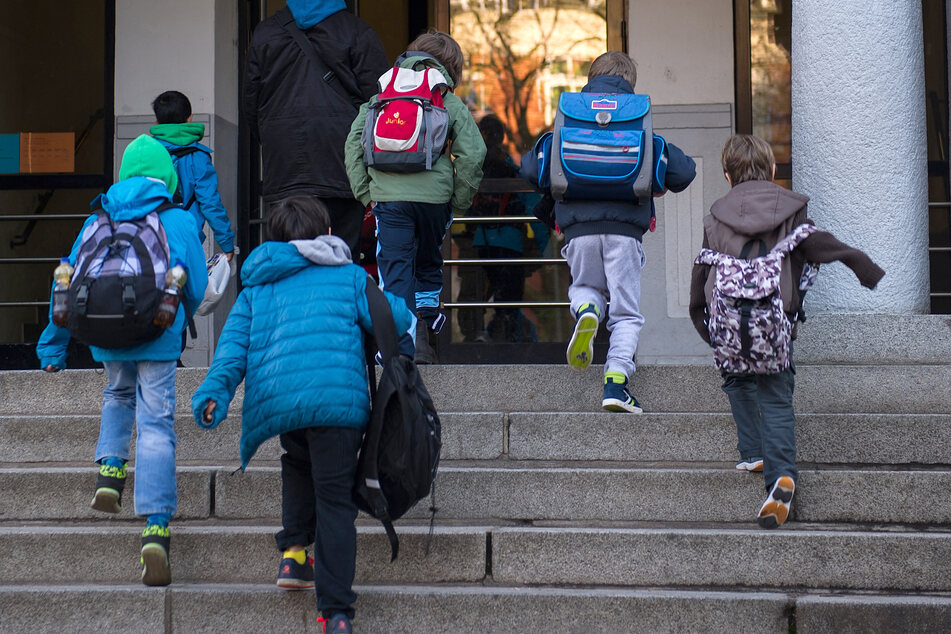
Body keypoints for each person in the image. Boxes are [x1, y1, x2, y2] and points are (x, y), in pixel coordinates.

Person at [190, 196, 413, 634]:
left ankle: (293, 553)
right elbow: (395, 318)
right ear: (325, 231)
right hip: (338, 405)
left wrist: (214, 392)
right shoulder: (349, 277)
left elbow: (233, 349)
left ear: (275, 237)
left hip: (281, 404)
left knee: (295, 461)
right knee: (334, 500)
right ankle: (336, 613)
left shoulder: (257, 284)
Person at [36, 134, 207, 586]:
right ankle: (155, 526)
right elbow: (197, 288)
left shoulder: (99, 216)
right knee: (156, 423)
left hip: (105, 334)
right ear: (167, 175)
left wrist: (53, 346)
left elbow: (67, 280)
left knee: (116, 393)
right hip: (157, 334)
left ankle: (110, 473)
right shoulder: (177, 219)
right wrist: (174, 315)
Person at [689, 133, 885, 528]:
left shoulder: (714, 219)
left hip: (729, 326)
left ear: (727, 175)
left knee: (736, 379)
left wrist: (704, 323)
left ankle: (752, 451)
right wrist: (863, 267)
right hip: (775, 326)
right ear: (773, 170)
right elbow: (820, 246)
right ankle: (780, 475)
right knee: (776, 397)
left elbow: (701, 276)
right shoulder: (792, 213)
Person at [540, 51, 696, 413]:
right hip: (625, 234)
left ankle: (587, 311)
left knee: (585, 287)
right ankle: (615, 383)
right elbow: (684, 172)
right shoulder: (638, 122)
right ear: (630, 85)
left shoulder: (569, 119)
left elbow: (534, 169)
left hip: (578, 231)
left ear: (590, 78)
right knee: (626, 314)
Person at [345, 29, 486, 363]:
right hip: (434, 200)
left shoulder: (381, 97)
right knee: (426, 259)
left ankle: (401, 347)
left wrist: (368, 196)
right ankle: (425, 314)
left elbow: (353, 145)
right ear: (452, 68)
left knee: (395, 269)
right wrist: (457, 201)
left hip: (389, 201)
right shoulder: (444, 98)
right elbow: (474, 152)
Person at [244, 0, 389, 256]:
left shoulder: (266, 32)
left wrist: (271, 140)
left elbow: (251, 103)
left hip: (284, 164)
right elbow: (380, 102)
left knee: (286, 254)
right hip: (341, 161)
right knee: (343, 254)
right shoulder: (356, 31)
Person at [150, 90, 235, 261]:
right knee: (181, 284)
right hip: (185, 239)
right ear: (190, 118)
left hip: (148, 237)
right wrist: (226, 244)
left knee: (153, 286)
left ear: (157, 122)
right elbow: (210, 202)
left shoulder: (146, 151)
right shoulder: (197, 156)